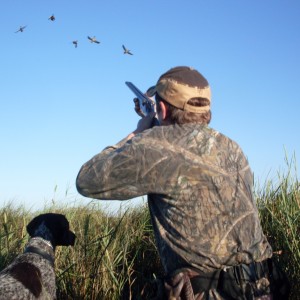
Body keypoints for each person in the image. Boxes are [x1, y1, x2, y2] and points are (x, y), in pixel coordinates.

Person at [76, 66, 290, 299]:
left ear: (161, 108)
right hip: (264, 286)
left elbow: (87, 180)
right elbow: (184, 146)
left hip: (210, 293)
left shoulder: (154, 145)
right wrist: (157, 124)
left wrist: (137, 133)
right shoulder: (231, 147)